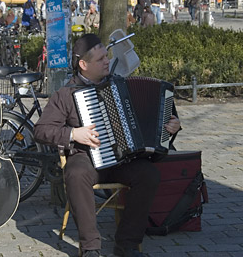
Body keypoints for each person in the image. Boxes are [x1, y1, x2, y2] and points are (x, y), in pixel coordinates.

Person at [34, 34, 181, 257]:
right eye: (101, 59)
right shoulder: (65, 94)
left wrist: (170, 128)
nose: (107, 61)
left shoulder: (120, 85)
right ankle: (91, 247)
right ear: (83, 65)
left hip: (123, 158)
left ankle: (127, 244)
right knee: (75, 175)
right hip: (86, 158)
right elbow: (41, 130)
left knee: (148, 174)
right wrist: (74, 133)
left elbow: (157, 118)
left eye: (107, 56)